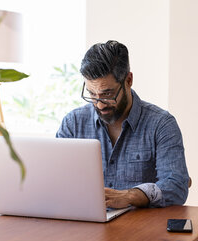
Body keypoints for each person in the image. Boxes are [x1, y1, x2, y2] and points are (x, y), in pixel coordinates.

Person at [56, 40, 189, 208]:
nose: (99, 104)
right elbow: (56, 181)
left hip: (140, 229)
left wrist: (130, 196)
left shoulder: (161, 124)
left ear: (129, 80)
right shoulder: (73, 124)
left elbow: (177, 187)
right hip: (86, 226)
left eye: (107, 94)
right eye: (92, 94)